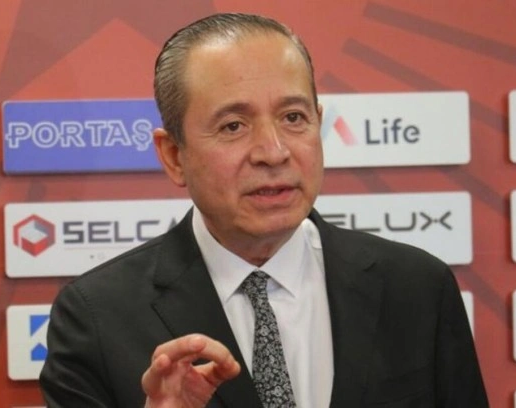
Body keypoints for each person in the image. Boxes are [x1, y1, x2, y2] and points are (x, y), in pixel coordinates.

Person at [39, 12, 489, 408]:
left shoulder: (417, 288)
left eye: (293, 118)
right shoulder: (97, 316)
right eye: (233, 125)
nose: (273, 152)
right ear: (174, 156)